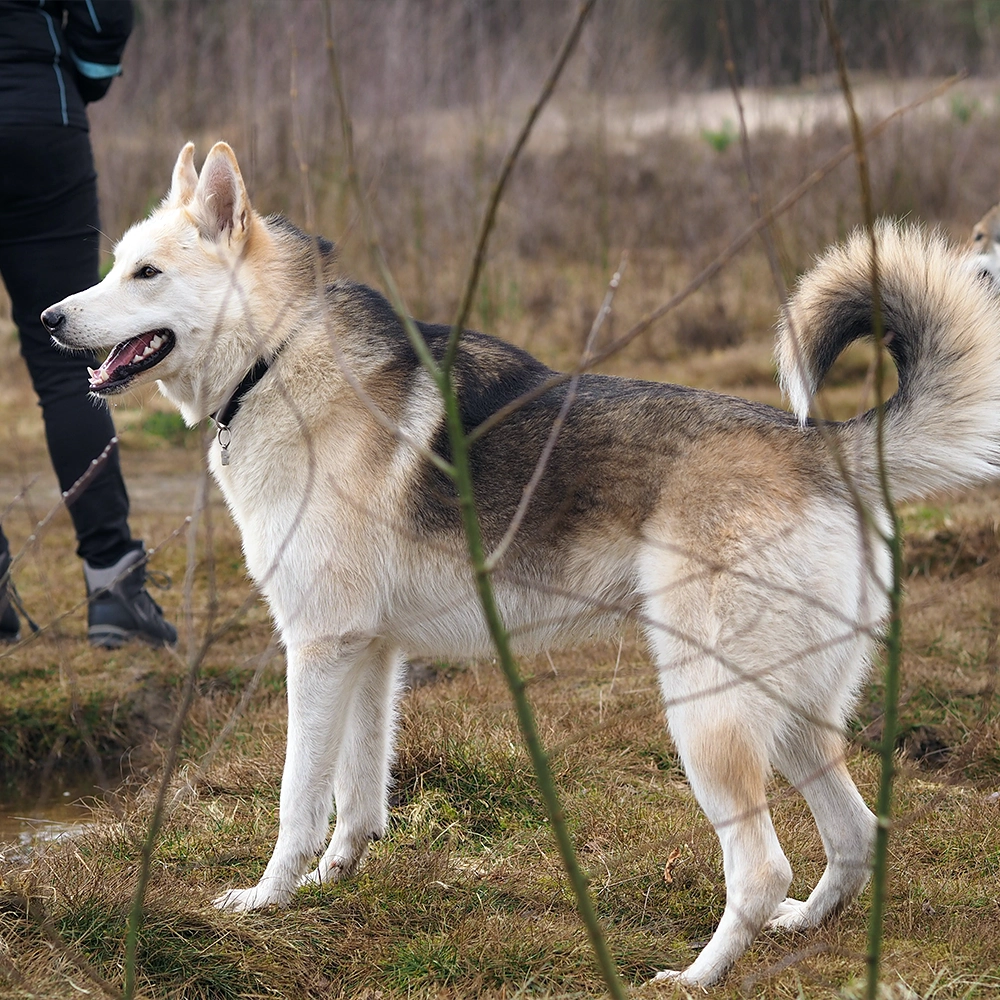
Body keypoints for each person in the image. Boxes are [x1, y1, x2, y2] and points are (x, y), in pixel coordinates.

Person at [0, 0, 176, 648]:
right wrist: (85, 73)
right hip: (42, 115)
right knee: (64, 364)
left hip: (44, 103)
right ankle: (113, 589)